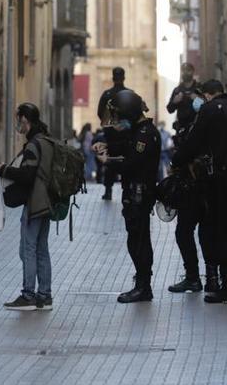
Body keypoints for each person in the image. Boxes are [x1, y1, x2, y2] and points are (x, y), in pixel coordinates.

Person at [172, 80, 227, 303]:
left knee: (219, 229)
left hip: (218, 180)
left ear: (207, 94)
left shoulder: (209, 110)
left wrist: (178, 160)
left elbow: (192, 143)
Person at [95, 90, 160, 303]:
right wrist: (108, 146)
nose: (118, 122)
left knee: (139, 241)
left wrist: (108, 162)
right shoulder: (140, 131)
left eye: (121, 116)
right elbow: (127, 148)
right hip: (135, 192)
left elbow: (132, 163)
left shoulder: (144, 135)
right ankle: (141, 283)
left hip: (139, 193)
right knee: (136, 240)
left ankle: (143, 287)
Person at [0, 103, 55, 311]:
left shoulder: (33, 145)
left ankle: (28, 295)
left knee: (28, 249)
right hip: (47, 202)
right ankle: (45, 296)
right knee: (41, 249)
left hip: (35, 203)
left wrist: (4, 170)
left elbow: (27, 175)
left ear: (25, 120)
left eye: (18, 120)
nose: (17, 125)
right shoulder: (47, 141)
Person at [97, 67, 131, 200]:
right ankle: (126, 188)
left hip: (111, 135)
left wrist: (110, 124)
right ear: (123, 78)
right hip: (126, 136)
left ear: (113, 78)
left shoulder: (107, 95)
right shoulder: (129, 94)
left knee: (110, 163)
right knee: (126, 162)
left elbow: (100, 113)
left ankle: (108, 190)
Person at [166, 62, 202, 147]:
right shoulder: (177, 90)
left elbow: (208, 107)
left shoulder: (199, 88)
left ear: (193, 71)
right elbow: (169, 109)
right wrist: (174, 102)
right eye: (183, 70)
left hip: (197, 127)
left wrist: (198, 99)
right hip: (182, 127)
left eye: (188, 70)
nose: (185, 73)